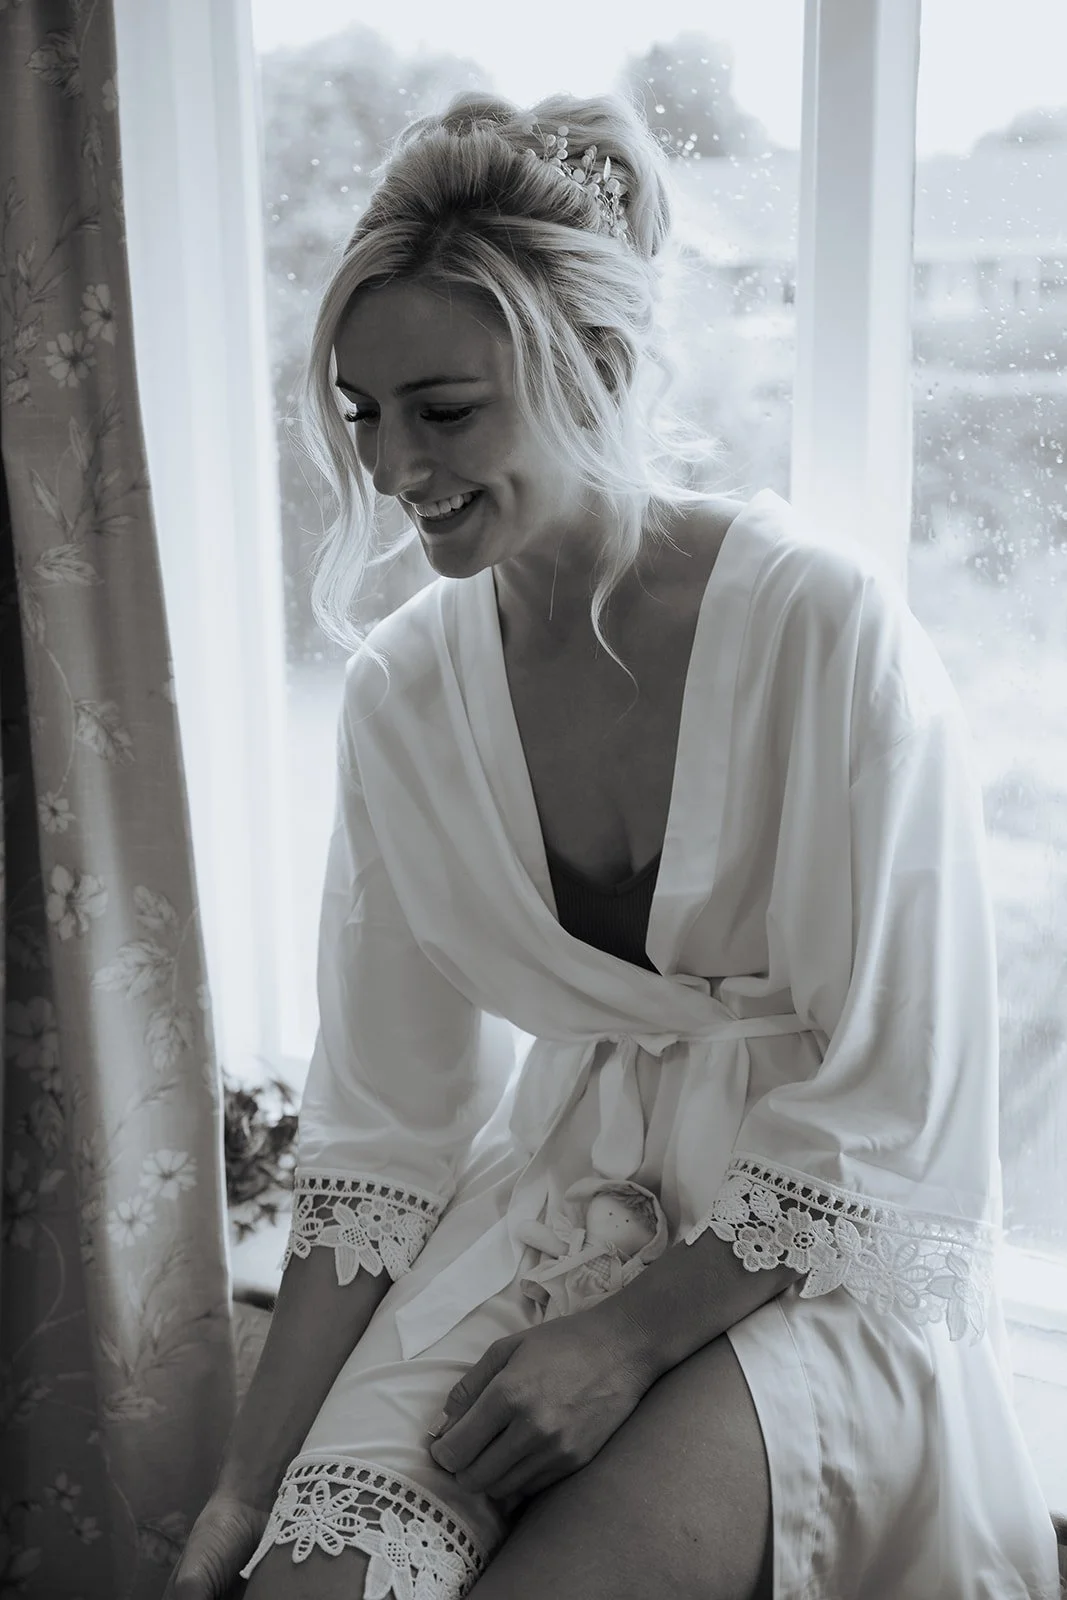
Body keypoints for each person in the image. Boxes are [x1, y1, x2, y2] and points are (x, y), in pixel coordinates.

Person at [165, 92, 1062, 1600]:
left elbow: (902, 1099)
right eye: (361, 413)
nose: (392, 467)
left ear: (599, 367)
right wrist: (239, 1500)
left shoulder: (821, 626)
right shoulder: (402, 693)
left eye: (443, 410)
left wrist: (624, 1341)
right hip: (551, 1212)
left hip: (813, 1256)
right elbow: (384, 1137)